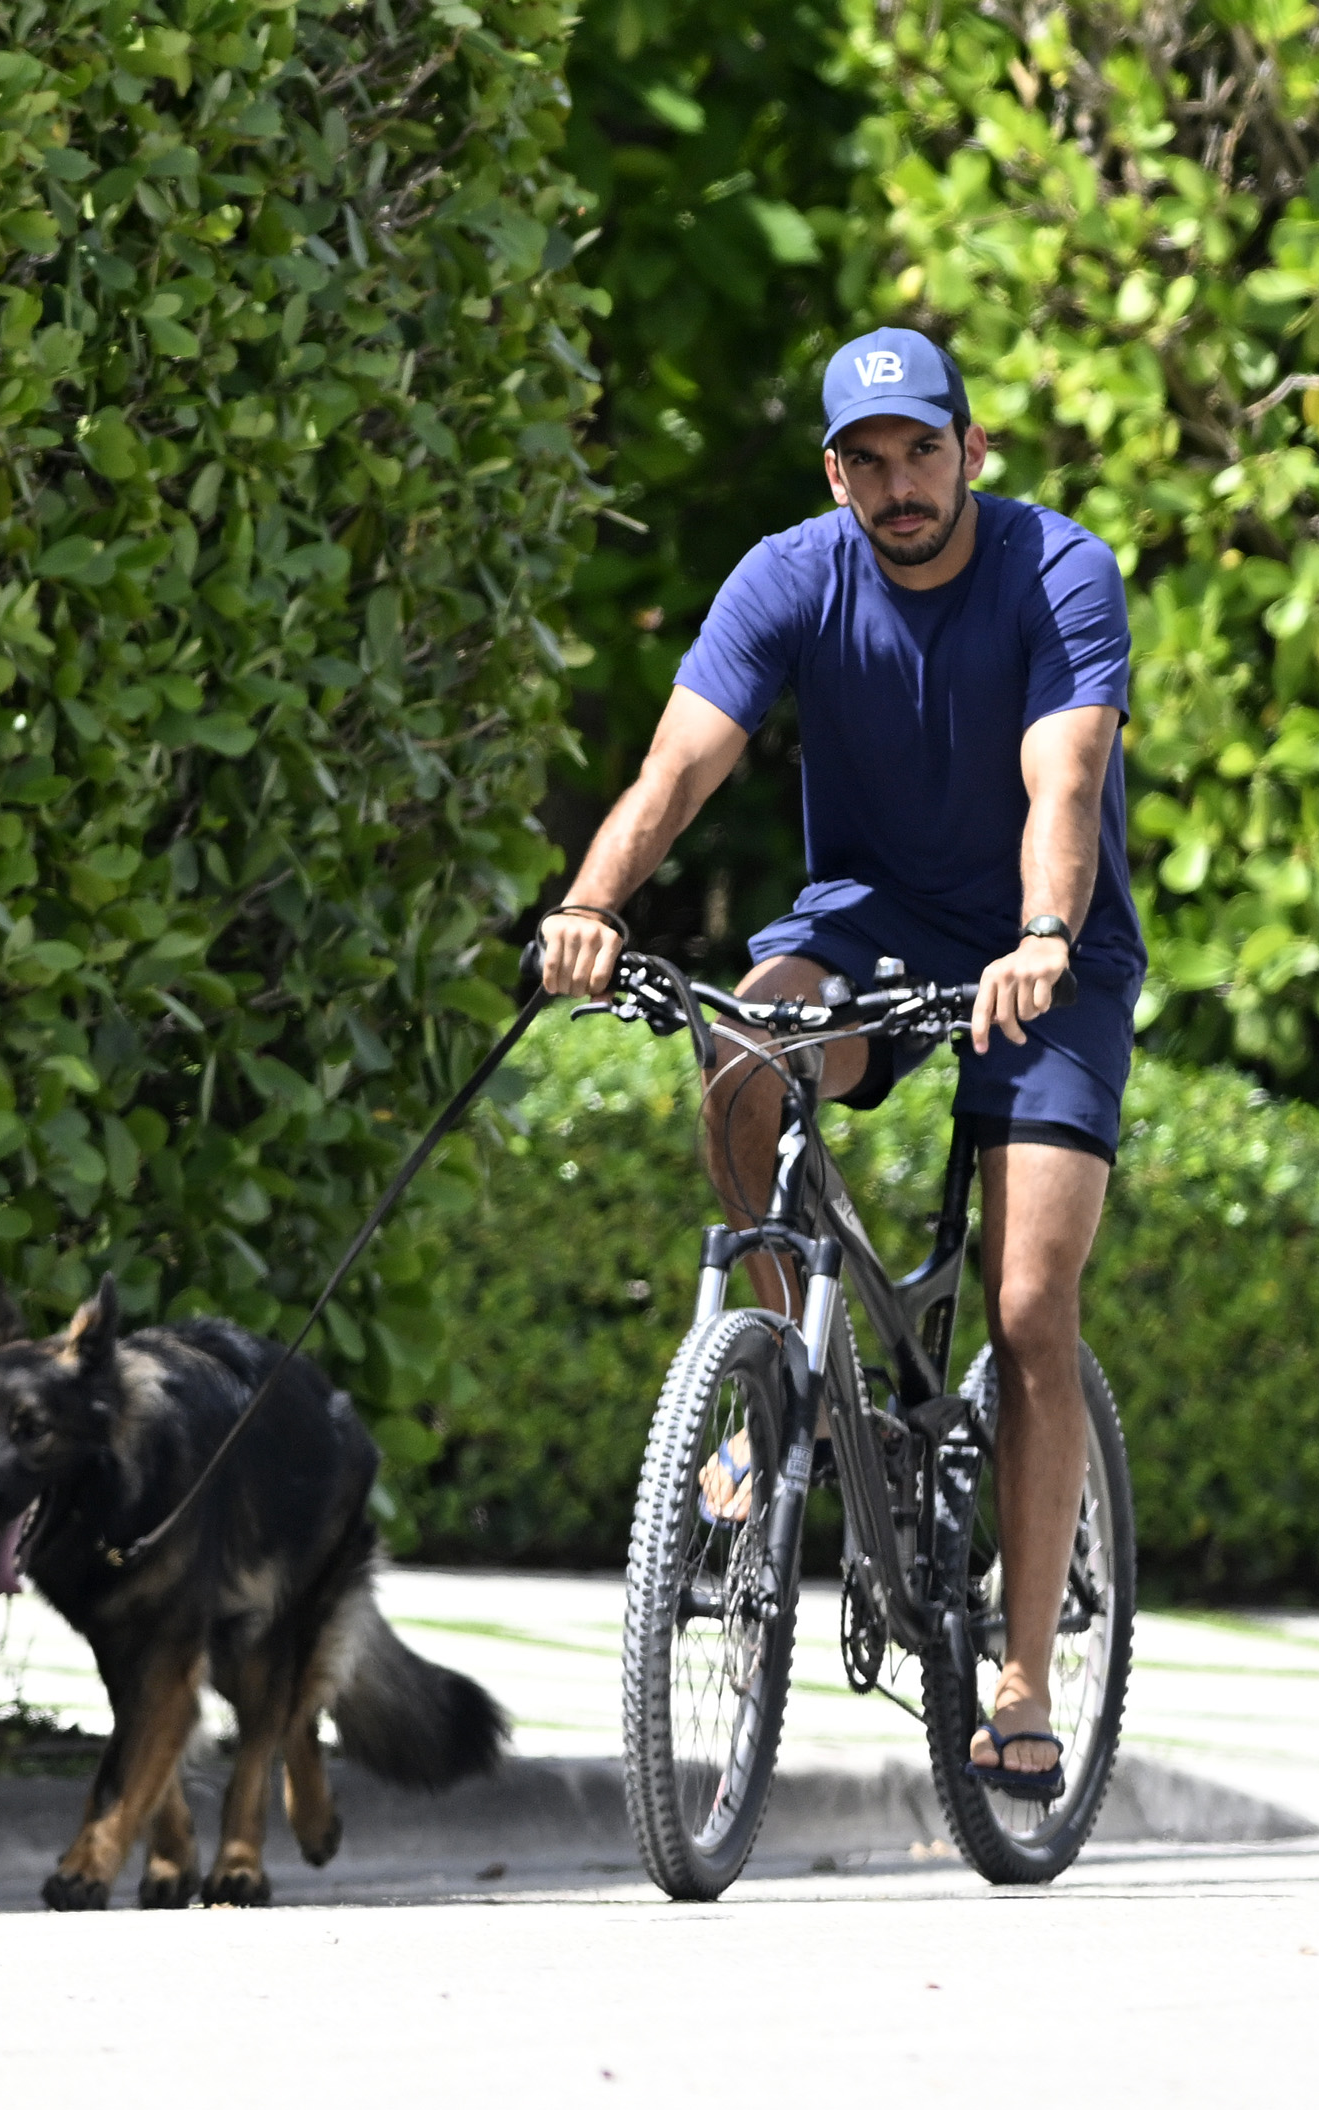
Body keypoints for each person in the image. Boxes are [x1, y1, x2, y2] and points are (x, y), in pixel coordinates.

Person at [537, 326, 1143, 1801]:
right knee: (744, 1050)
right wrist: (590, 903)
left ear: (971, 448)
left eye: (922, 451)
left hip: (1044, 956)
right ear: (834, 473)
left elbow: (1062, 777)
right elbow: (675, 769)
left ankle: (1020, 1674)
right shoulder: (789, 576)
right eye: (865, 462)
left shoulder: (1059, 569)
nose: (897, 486)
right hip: (871, 926)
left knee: (1028, 1305)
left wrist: (1045, 928)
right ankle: (778, 1384)